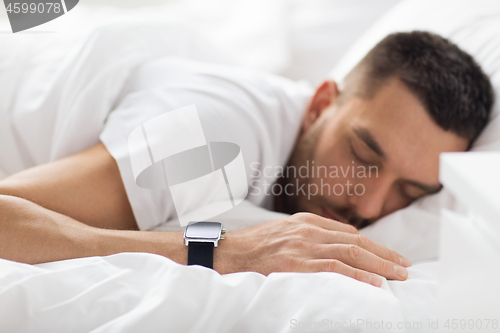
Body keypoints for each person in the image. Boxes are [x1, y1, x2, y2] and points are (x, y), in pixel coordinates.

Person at [0, 31, 493, 288]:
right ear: (321, 105)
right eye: (363, 157)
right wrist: (222, 250)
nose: (368, 206)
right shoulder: (209, 138)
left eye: (409, 192)